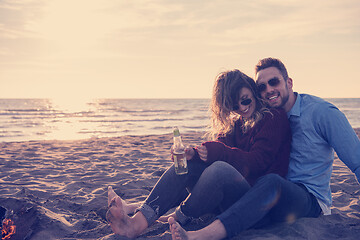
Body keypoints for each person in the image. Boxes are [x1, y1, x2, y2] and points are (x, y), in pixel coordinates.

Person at [168, 57, 360, 240]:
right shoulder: (265, 119)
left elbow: (357, 161)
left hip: (307, 199)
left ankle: (205, 235)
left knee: (271, 182)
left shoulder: (322, 113)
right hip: (264, 199)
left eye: (274, 82)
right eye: (262, 86)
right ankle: (153, 213)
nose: (269, 90)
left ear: (289, 82)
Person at [106, 69, 292, 238]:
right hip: (228, 200)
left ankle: (176, 216)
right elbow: (219, 147)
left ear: (253, 91)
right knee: (187, 166)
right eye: (234, 106)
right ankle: (136, 223)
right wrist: (193, 154)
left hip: (256, 204)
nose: (241, 108)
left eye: (245, 100)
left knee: (219, 169)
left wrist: (218, 152)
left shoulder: (273, 117)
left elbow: (257, 162)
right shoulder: (238, 122)